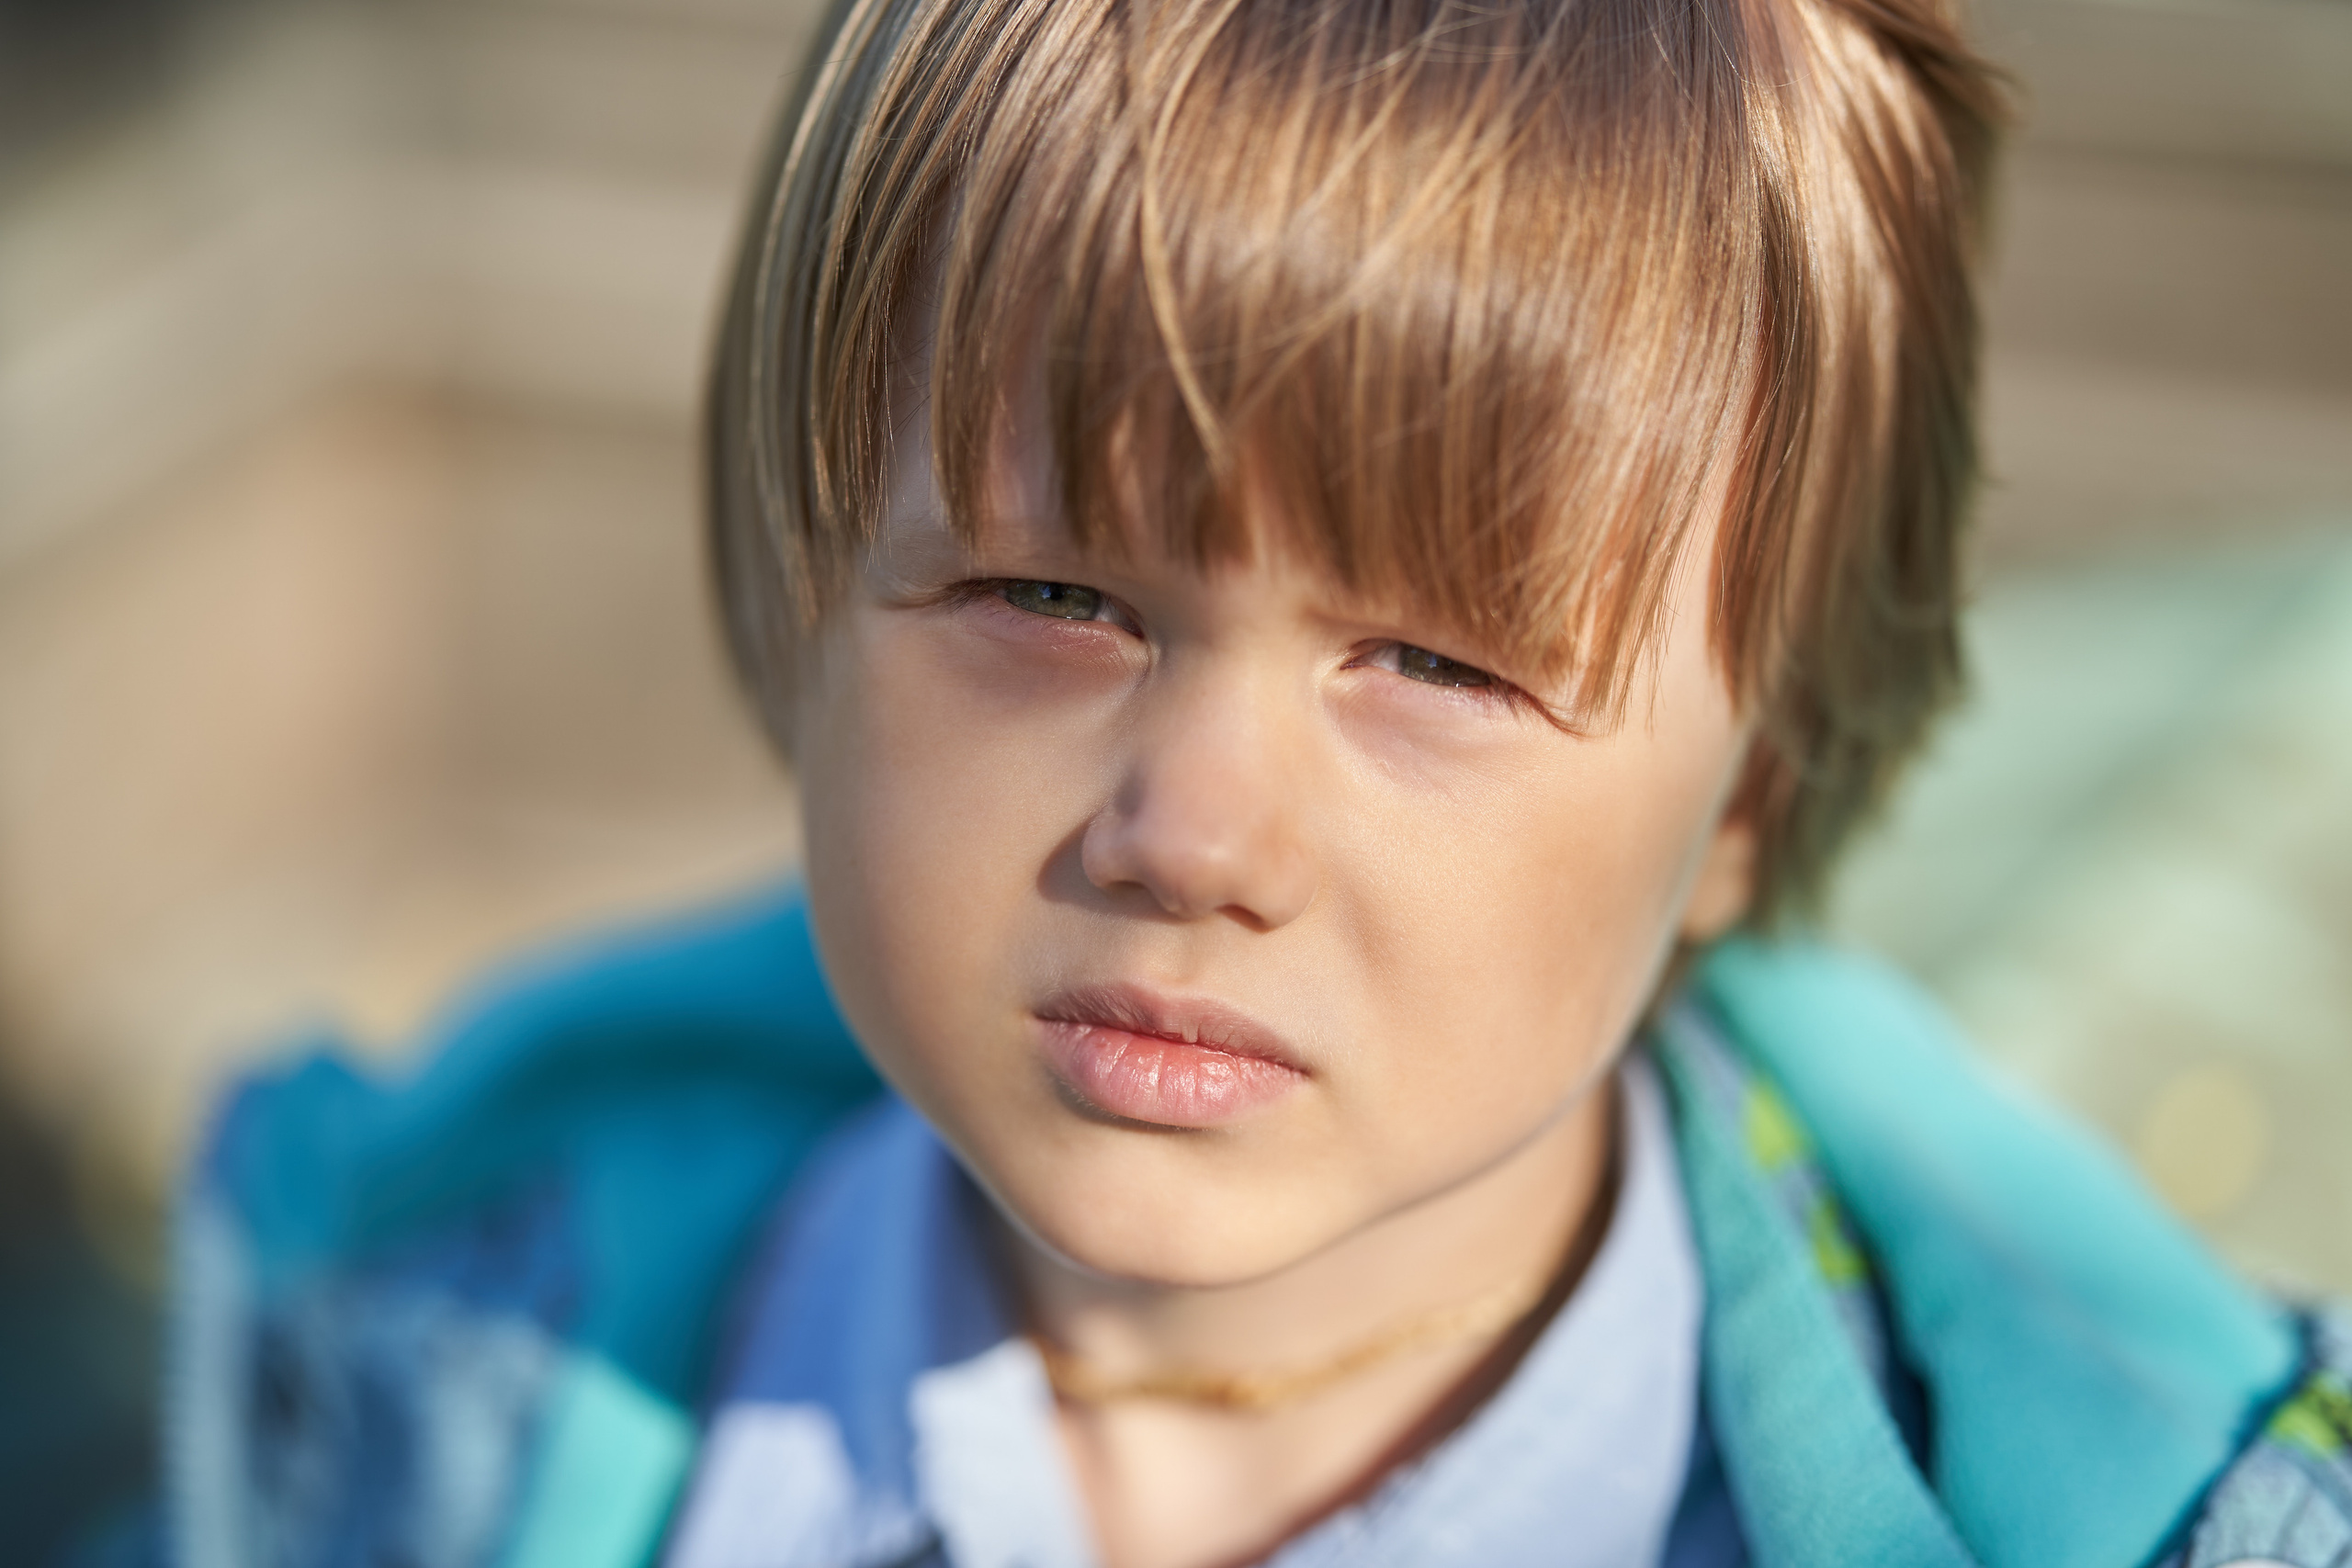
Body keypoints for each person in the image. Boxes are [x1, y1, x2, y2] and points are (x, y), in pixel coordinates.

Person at [166, 0, 2352, 1562]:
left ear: (1749, 798)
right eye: (1052, 593)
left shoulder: (2131, 1498)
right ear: (805, 600)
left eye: (1438, 662)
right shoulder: (433, 1354)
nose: (1191, 832)